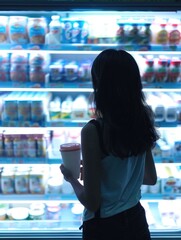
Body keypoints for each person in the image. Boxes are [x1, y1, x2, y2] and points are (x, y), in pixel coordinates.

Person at [60, 49, 160, 240]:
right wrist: (105, 173)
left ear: (99, 84)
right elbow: (149, 178)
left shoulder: (93, 131)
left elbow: (92, 202)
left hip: (105, 228)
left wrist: (71, 177)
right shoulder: (142, 119)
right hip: (136, 221)